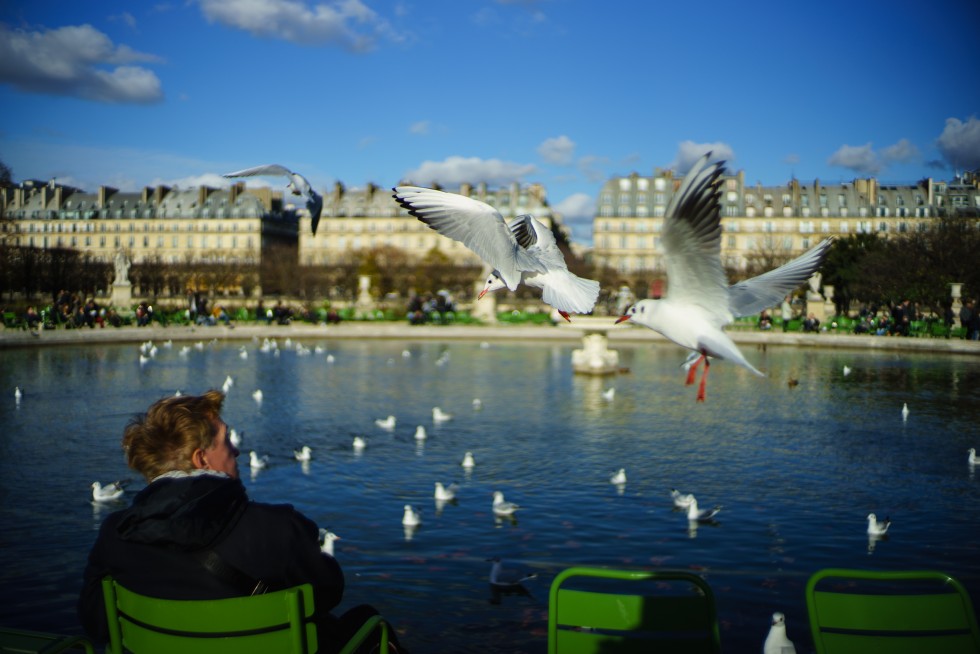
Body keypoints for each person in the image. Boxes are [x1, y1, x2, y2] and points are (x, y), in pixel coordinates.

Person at [78, 391, 401, 653]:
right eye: (227, 440)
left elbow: (96, 620)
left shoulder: (116, 534)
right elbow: (328, 593)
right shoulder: (275, 528)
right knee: (368, 624)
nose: (238, 450)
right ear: (201, 458)